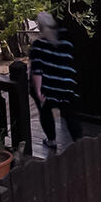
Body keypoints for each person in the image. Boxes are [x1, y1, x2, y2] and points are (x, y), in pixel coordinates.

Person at [28, 11, 84, 148]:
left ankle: (51, 140)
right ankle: (79, 142)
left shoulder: (38, 46)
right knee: (71, 114)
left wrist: (39, 92)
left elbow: (37, 71)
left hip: (48, 87)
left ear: (39, 27)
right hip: (67, 85)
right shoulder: (66, 40)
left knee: (45, 111)